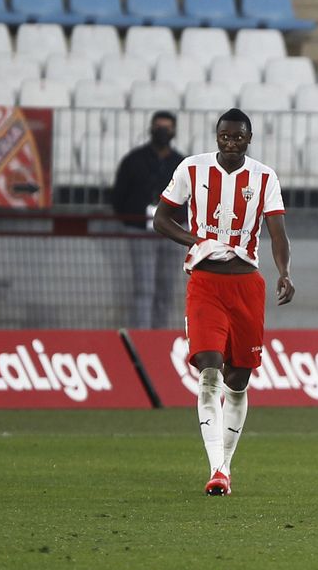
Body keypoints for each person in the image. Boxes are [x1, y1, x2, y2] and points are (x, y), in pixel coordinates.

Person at [153, 108, 294, 496]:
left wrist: (284, 271)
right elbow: (162, 220)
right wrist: (195, 242)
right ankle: (216, 469)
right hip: (206, 283)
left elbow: (278, 232)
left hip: (247, 285)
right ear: (217, 137)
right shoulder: (191, 170)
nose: (230, 143)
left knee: (238, 379)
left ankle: (225, 464)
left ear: (249, 139)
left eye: (238, 138)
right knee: (209, 372)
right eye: (224, 137)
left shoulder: (264, 177)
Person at [113, 111, 187, 328]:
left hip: (172, 232)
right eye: (158, 127)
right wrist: (132, 219)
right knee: (144, 289)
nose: (162, 132)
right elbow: (119, 196)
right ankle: (142, 338)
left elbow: (191, 197)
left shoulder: (181, 163)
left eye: (167, 128)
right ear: (151, 129)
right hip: (140, 231)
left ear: (173, 131)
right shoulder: (133, 160)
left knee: (165, 290)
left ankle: (159, 339)